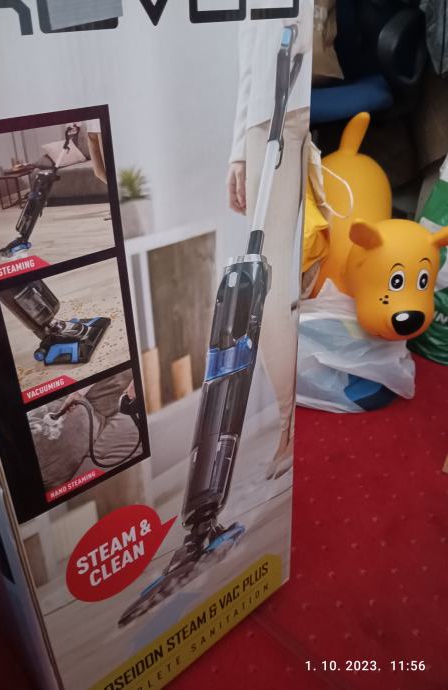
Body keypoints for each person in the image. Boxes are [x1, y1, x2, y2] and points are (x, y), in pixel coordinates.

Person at [227, 3, 313, 479]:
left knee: (314, 268)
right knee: (267, 285)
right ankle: (290, 425)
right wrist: (239, 148)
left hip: (320, 86)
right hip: (276, 100)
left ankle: (301, 421)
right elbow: (248, 35)